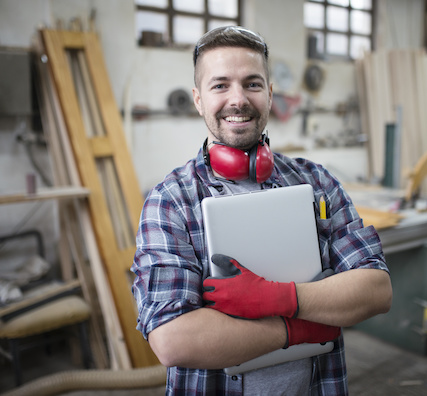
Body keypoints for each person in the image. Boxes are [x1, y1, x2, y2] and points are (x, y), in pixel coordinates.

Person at [131, 26, 392, 395]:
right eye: (220, 85)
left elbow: (376, 290)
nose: (238, 99)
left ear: (269, 94)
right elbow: (173, 340)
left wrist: (282, 298)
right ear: (198, 99)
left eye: (252, 84)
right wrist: (297, 329)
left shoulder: (316, 182)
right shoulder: (170, 201)